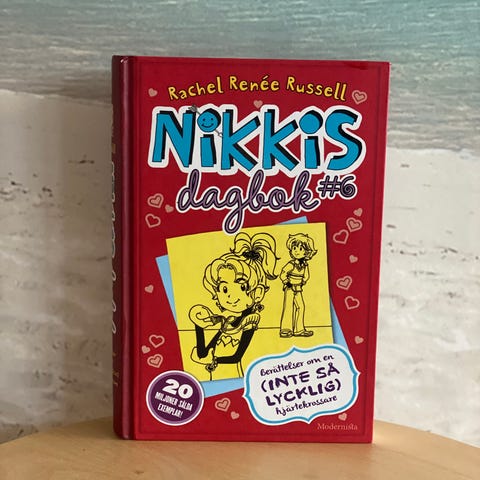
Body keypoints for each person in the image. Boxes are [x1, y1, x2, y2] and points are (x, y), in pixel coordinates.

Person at [190, 231, 278, 380]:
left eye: (242, 287)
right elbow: (202, 354)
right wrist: (198, 324)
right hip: (213, 375)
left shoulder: (249, 322)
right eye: (224, 289)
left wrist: (215, 360)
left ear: (257, 292)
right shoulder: (226, 321)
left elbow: (236, 357)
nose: (230, 296)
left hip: (234, 376)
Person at [279, 233, 317, 338]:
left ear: (306, 251)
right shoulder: (291, 264)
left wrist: (303, 281)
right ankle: (285, 330)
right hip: (290, 287)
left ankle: (299, 329)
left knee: (301, 307)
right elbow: (283, 273)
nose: (297, 251)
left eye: (300, 249)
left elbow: (306, 275)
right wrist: (286, 281)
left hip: (298, 288)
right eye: (294, 248)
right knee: (288, 307)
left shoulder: (305, 265)